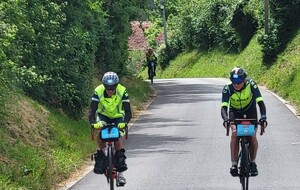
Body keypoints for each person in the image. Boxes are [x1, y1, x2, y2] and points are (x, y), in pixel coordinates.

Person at [221, 67, 268, 177]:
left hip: (250, 111)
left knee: (252, 137)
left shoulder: (251, 84)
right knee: (234, 135)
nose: (236, 84)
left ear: (244, 80)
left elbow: (260, 102)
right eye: (234, 81)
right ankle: (233, 164)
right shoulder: (227, 88)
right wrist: (226, 119)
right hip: (235, 112)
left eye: (239, 82)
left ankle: (253, 163)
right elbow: (224, 106)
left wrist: (263, 117)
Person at [88, 71, 132, 185]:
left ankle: (120, 171)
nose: (111, 90)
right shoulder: (98, 91)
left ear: (117, 86)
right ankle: (103, 156)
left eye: (113, 88)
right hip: (103, 116)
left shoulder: (122, 90)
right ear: (104, 86)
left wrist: (125, 122)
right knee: (100, 137)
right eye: (108, 88)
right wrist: (93, 123)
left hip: (118, 117)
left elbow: (128, 111)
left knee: (116, 137)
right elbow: (92, 110)